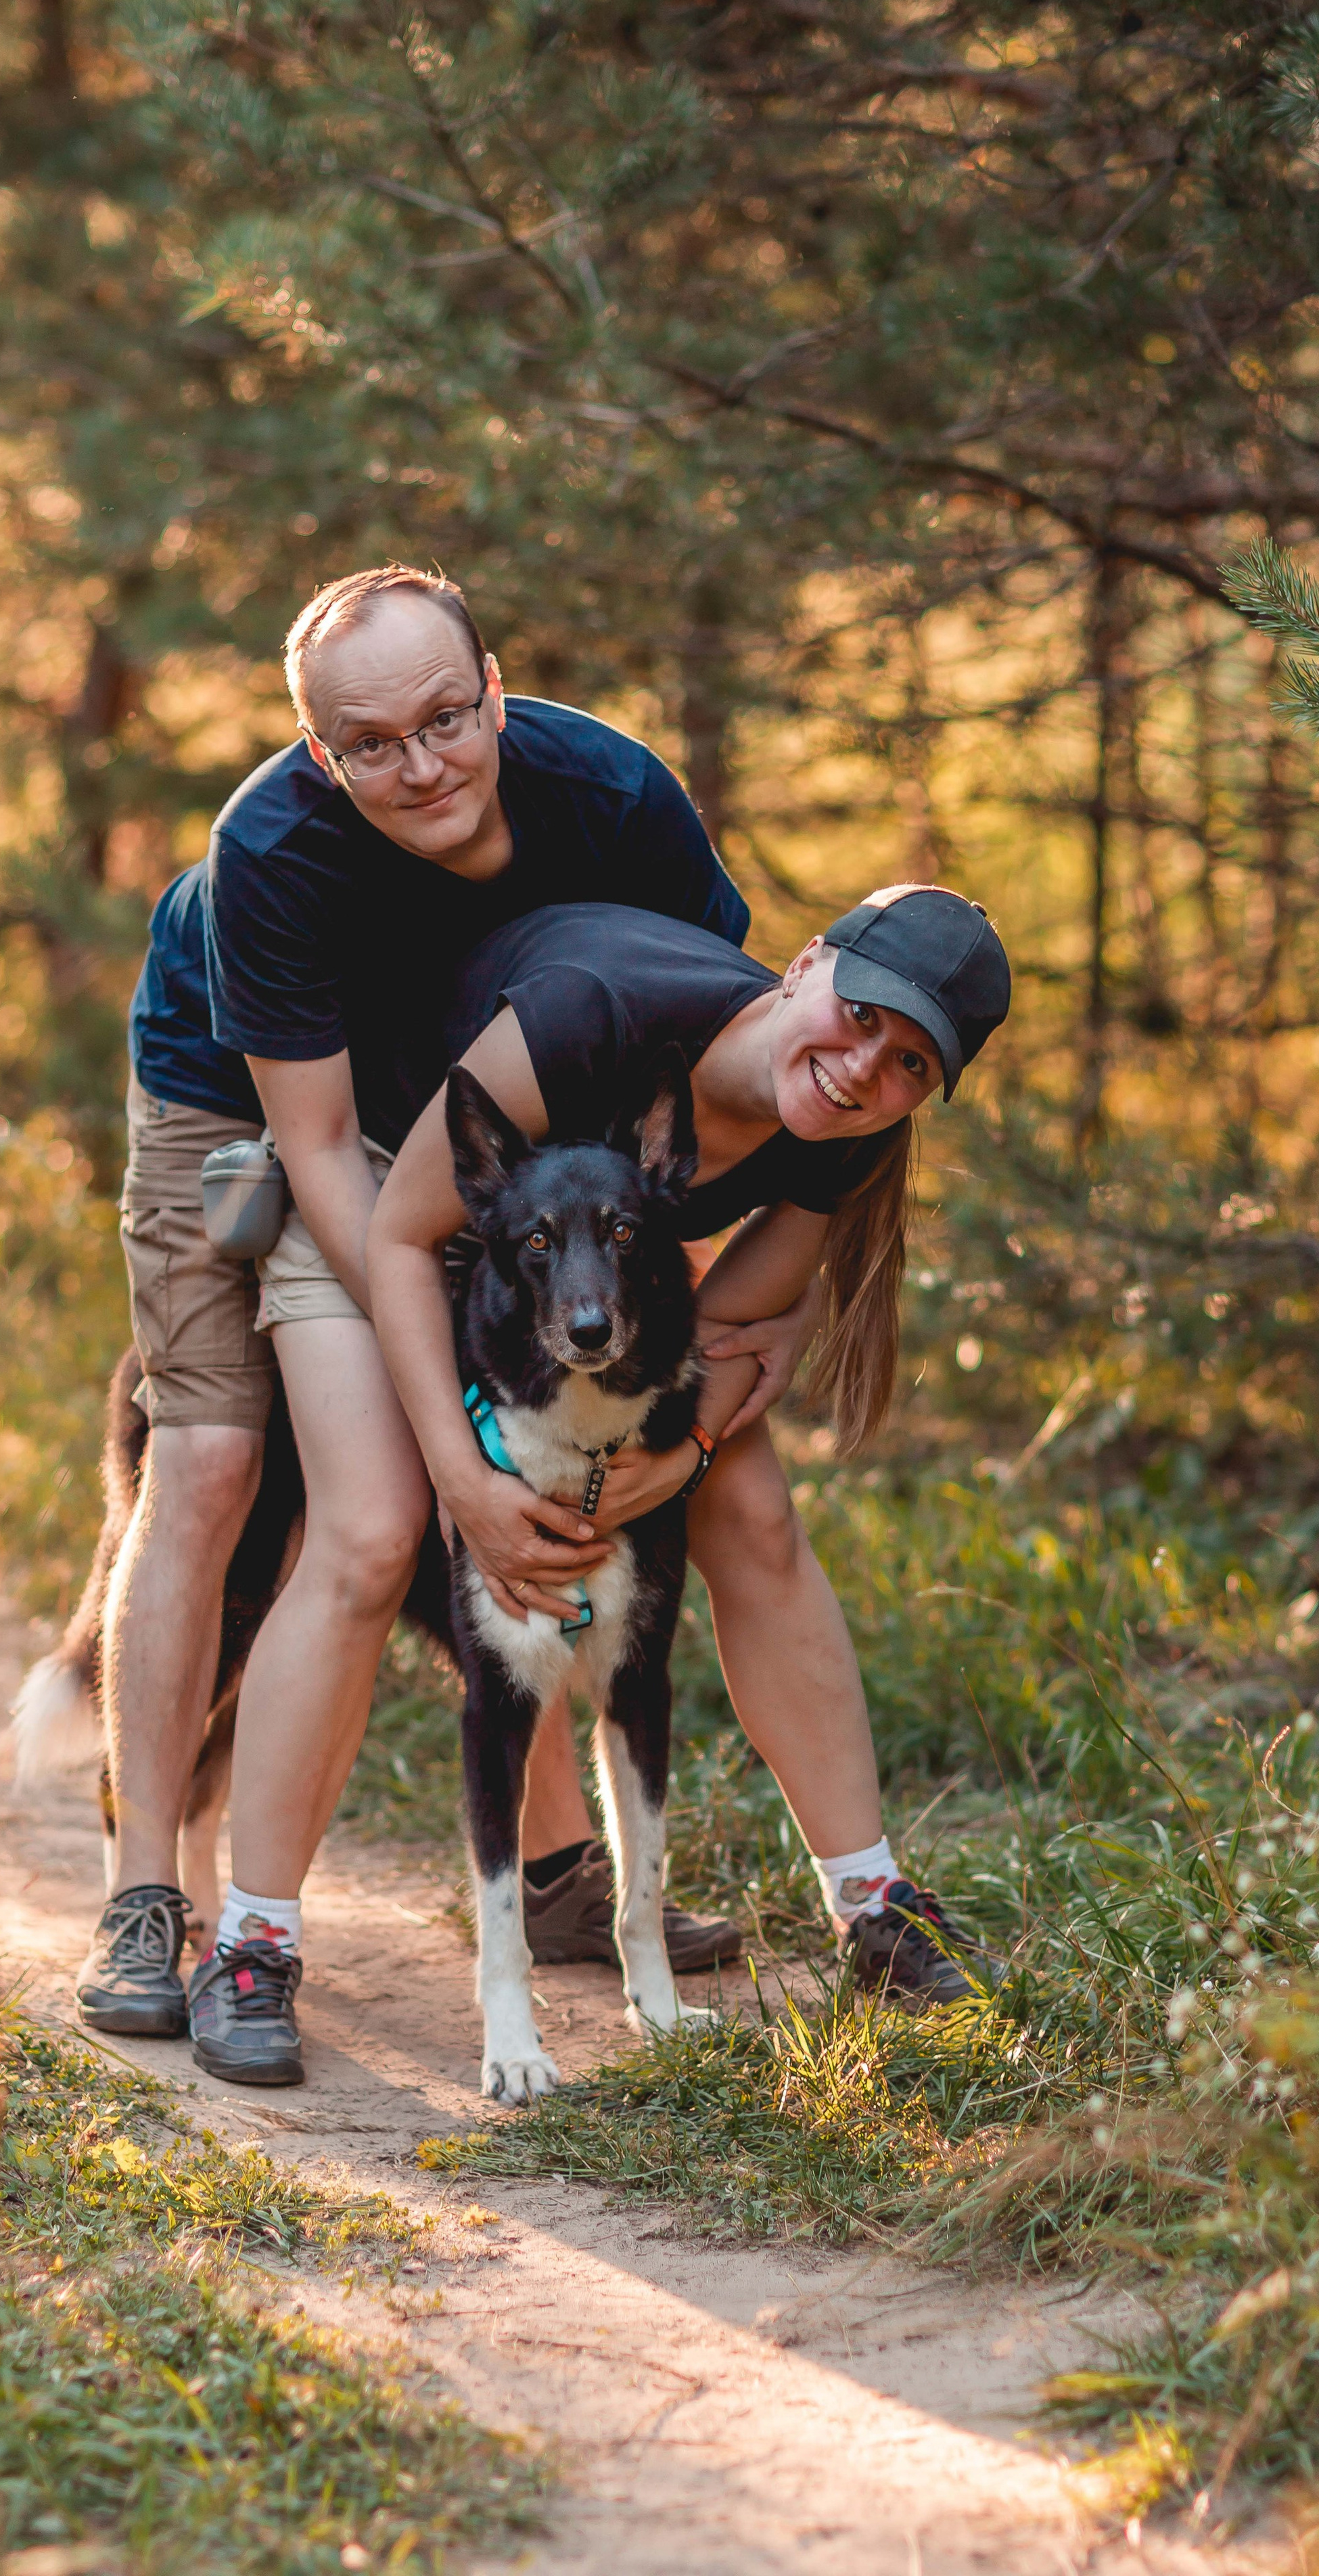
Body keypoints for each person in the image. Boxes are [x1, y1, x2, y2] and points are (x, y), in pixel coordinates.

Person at [78, 563, 765, 2040]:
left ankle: (560, 1875)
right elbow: (320, 1153)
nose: (420, 764)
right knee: (220, 1459)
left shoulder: (617, 798)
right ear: (321, 753)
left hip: (491, 1135)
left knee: (506, 1484)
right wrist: (436, 1371)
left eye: (446, 719)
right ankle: (149, 1900)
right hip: (253, 1114)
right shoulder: (270, 846)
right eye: (371, 744)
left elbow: (704, 1042)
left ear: (495, 692)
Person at [187, 882, 1011, 2087]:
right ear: (804, 965)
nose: (862, 1069)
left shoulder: (851, 1124)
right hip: (388, 1188)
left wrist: (665, 1464)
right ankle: (253, 1941)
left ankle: (871, 1904)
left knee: (757, 1513)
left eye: (908, 1062)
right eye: (863, 1015)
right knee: (372, 1531)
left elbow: (711, 1337)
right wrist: (466, 1479)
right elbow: (408, 1241)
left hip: (582, 1278)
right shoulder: (590, 1018)